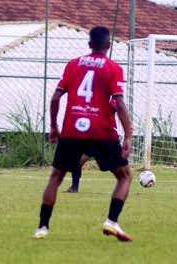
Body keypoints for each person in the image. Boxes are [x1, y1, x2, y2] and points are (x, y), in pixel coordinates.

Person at [33, 26, 134, 241]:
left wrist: (53, 126)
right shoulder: (113, 67)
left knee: (55, 177)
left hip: (72, 130)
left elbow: (55, 98)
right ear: (108, 45)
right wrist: (128, 134)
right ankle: (111, 221)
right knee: (124, 176)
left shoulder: (73, 64)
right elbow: (119, 103)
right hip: (102, 131)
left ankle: (42, 228)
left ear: (89, 44)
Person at [64, 99, 117, 193]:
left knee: (116, 164)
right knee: (78, 161)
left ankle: (124, 182)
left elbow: (116, 106)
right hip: (92, 137)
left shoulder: (112, 97)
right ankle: (74, 187)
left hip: (107, 137)